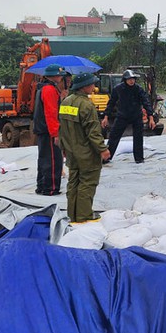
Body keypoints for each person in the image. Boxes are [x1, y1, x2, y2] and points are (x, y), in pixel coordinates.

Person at [59, 72, 111, 223]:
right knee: (87, 184)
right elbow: (93, 131)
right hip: (87, 153)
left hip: (71, 151)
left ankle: (73, 214)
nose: (94, 87)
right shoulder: (87, 105)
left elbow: (62, 128)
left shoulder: (65, 102)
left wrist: (63, 147)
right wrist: (102, 149)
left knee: (73, 182)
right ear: (85, 86)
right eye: (92, 84)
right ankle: (83, 216)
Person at [101, 69, 156, 164]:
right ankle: (107, 157)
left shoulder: (138, 89)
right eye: (129, 79)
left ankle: (139, 159)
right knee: (113, 136)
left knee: (138, 138)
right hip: (122, 116)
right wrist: (106, 117)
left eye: (133, 79)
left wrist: (151, 118)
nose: (131, 81)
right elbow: (111, 103)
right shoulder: (118, 89)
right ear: (125, 79)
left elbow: (146, 102)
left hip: (136, 116)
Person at [32, 63, 67, 196]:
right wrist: (56, 133)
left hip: (43, 130)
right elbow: (51, 113)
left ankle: (42, 186)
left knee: (44, 160)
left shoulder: (43, 88)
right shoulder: (50, 90)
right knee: (53, 161)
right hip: (48, 131)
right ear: (54, 76)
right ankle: (51, 188)